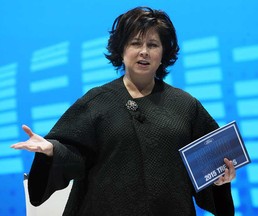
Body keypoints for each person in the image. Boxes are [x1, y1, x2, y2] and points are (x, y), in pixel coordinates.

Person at [11, 6, 235, 216]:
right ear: (122, 49)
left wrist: (221, 178)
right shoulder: (96, 102)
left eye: (153, 44)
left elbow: (210, 163)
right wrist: (52, 150)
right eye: (135, 43)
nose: (144, 52)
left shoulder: (186, 105)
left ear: (164, 52)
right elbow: (73, 154)